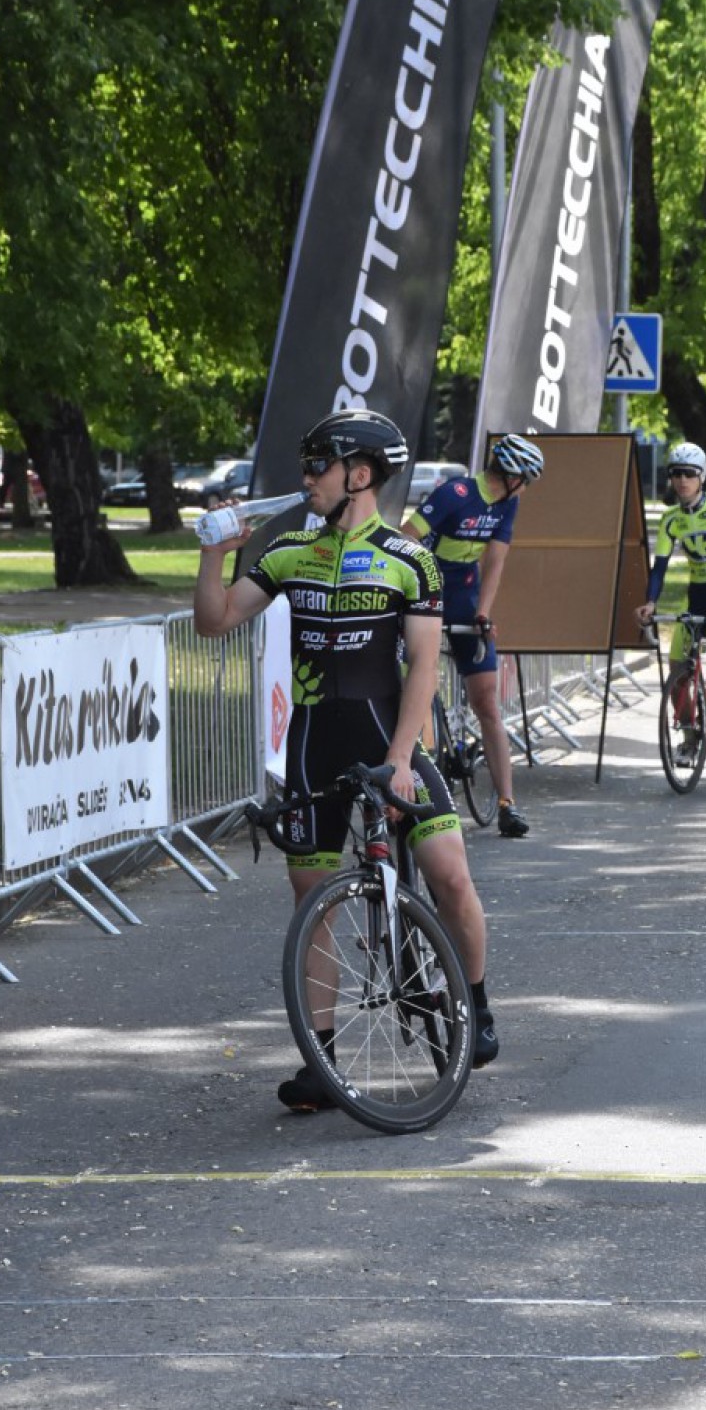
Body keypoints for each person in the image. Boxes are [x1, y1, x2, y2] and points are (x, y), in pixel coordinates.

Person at [193, 409, 498, 1110]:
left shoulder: (407, 558)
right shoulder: (289, 551)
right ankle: (322, 1062)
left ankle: (476, 1005)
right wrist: (213, 554)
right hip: (313, 745)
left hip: (389, 737)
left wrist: (400, 758)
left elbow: (423, 667)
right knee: (314, 904)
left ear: (359, 475)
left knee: (450, 874)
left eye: (317, 466)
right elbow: (214, 621)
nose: (306, 479)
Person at [401, 434, 544, 838]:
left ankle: (507, 804)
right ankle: (411, 792)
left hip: (464, 595)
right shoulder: (456, 494)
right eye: (526, 481)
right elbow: (405, 536)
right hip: (426, 592)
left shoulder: (507, 503)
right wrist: (420, 588)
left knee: (487, 700)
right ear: (512, 476)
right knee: (416, 687)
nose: (526, 490)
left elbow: (495, 562)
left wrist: (483, 612)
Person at [635, 440, 706, 783]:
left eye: (689, 474)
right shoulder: (671, 519)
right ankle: (689, 737)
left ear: (702, 477)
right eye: (676, 474)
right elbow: (659, 568)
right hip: (698, 593)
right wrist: (650, 602)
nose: (682, 480)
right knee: (677, 671)